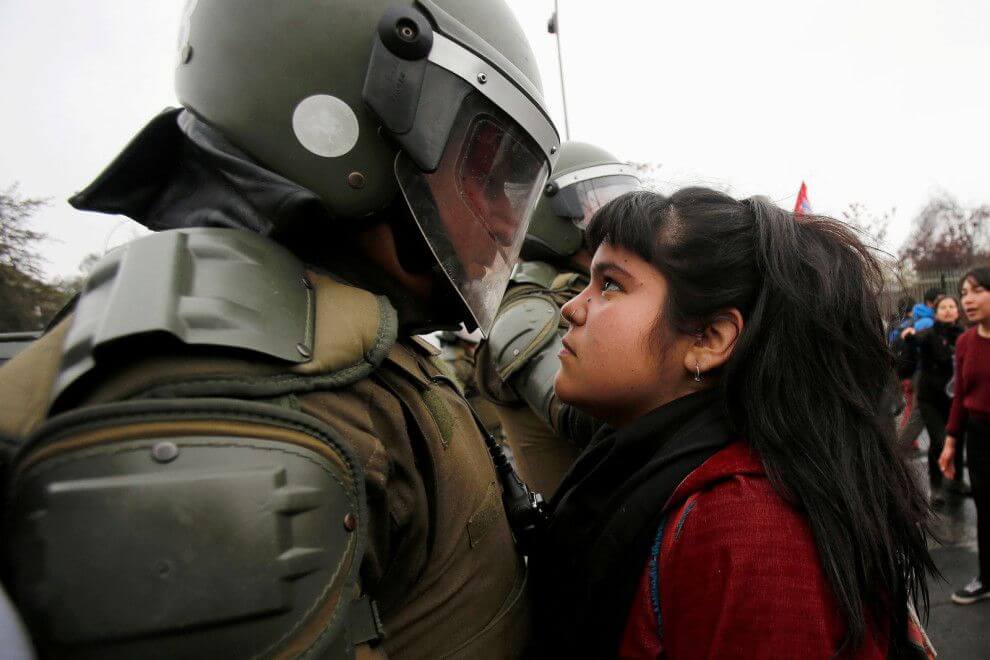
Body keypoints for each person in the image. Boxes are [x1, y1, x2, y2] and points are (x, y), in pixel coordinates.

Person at [0, 1, 561, 657]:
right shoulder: (232, 397)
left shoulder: (351, 334)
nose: (499, 214)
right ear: (347, 123)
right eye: (483, 169)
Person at [529, 189, 935, 658]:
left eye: (611, 285)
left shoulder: (743, 527)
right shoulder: (650, 469)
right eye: (587, 282)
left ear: (710, 338)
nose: (572, 308)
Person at [475, 141, 641, 498]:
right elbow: (583, 413)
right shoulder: (524, 311)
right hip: (587, 539)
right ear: (552, 213)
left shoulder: (590, 290)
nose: (616, 222)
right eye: (596, 205)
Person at [940, 266, 990, 605]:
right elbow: (959, 395)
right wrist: (950, 440)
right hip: (980, 434)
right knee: (986, 508)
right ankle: (986, 578)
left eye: (976, 290)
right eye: (963, 292)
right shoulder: (965, 341)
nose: (967, 299)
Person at [901, 294, 966, 502]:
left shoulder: (964, 335)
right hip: (931, 398)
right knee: (939, 441)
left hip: (956, 398)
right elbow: (916, 338)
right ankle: (936, 485)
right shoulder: (929, 334)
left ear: (957, 310)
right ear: (936, 313)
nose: (948, 310)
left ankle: (955, 480)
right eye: (943, 307)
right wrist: (909, 335)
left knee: (956, 440)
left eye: (951, 306)